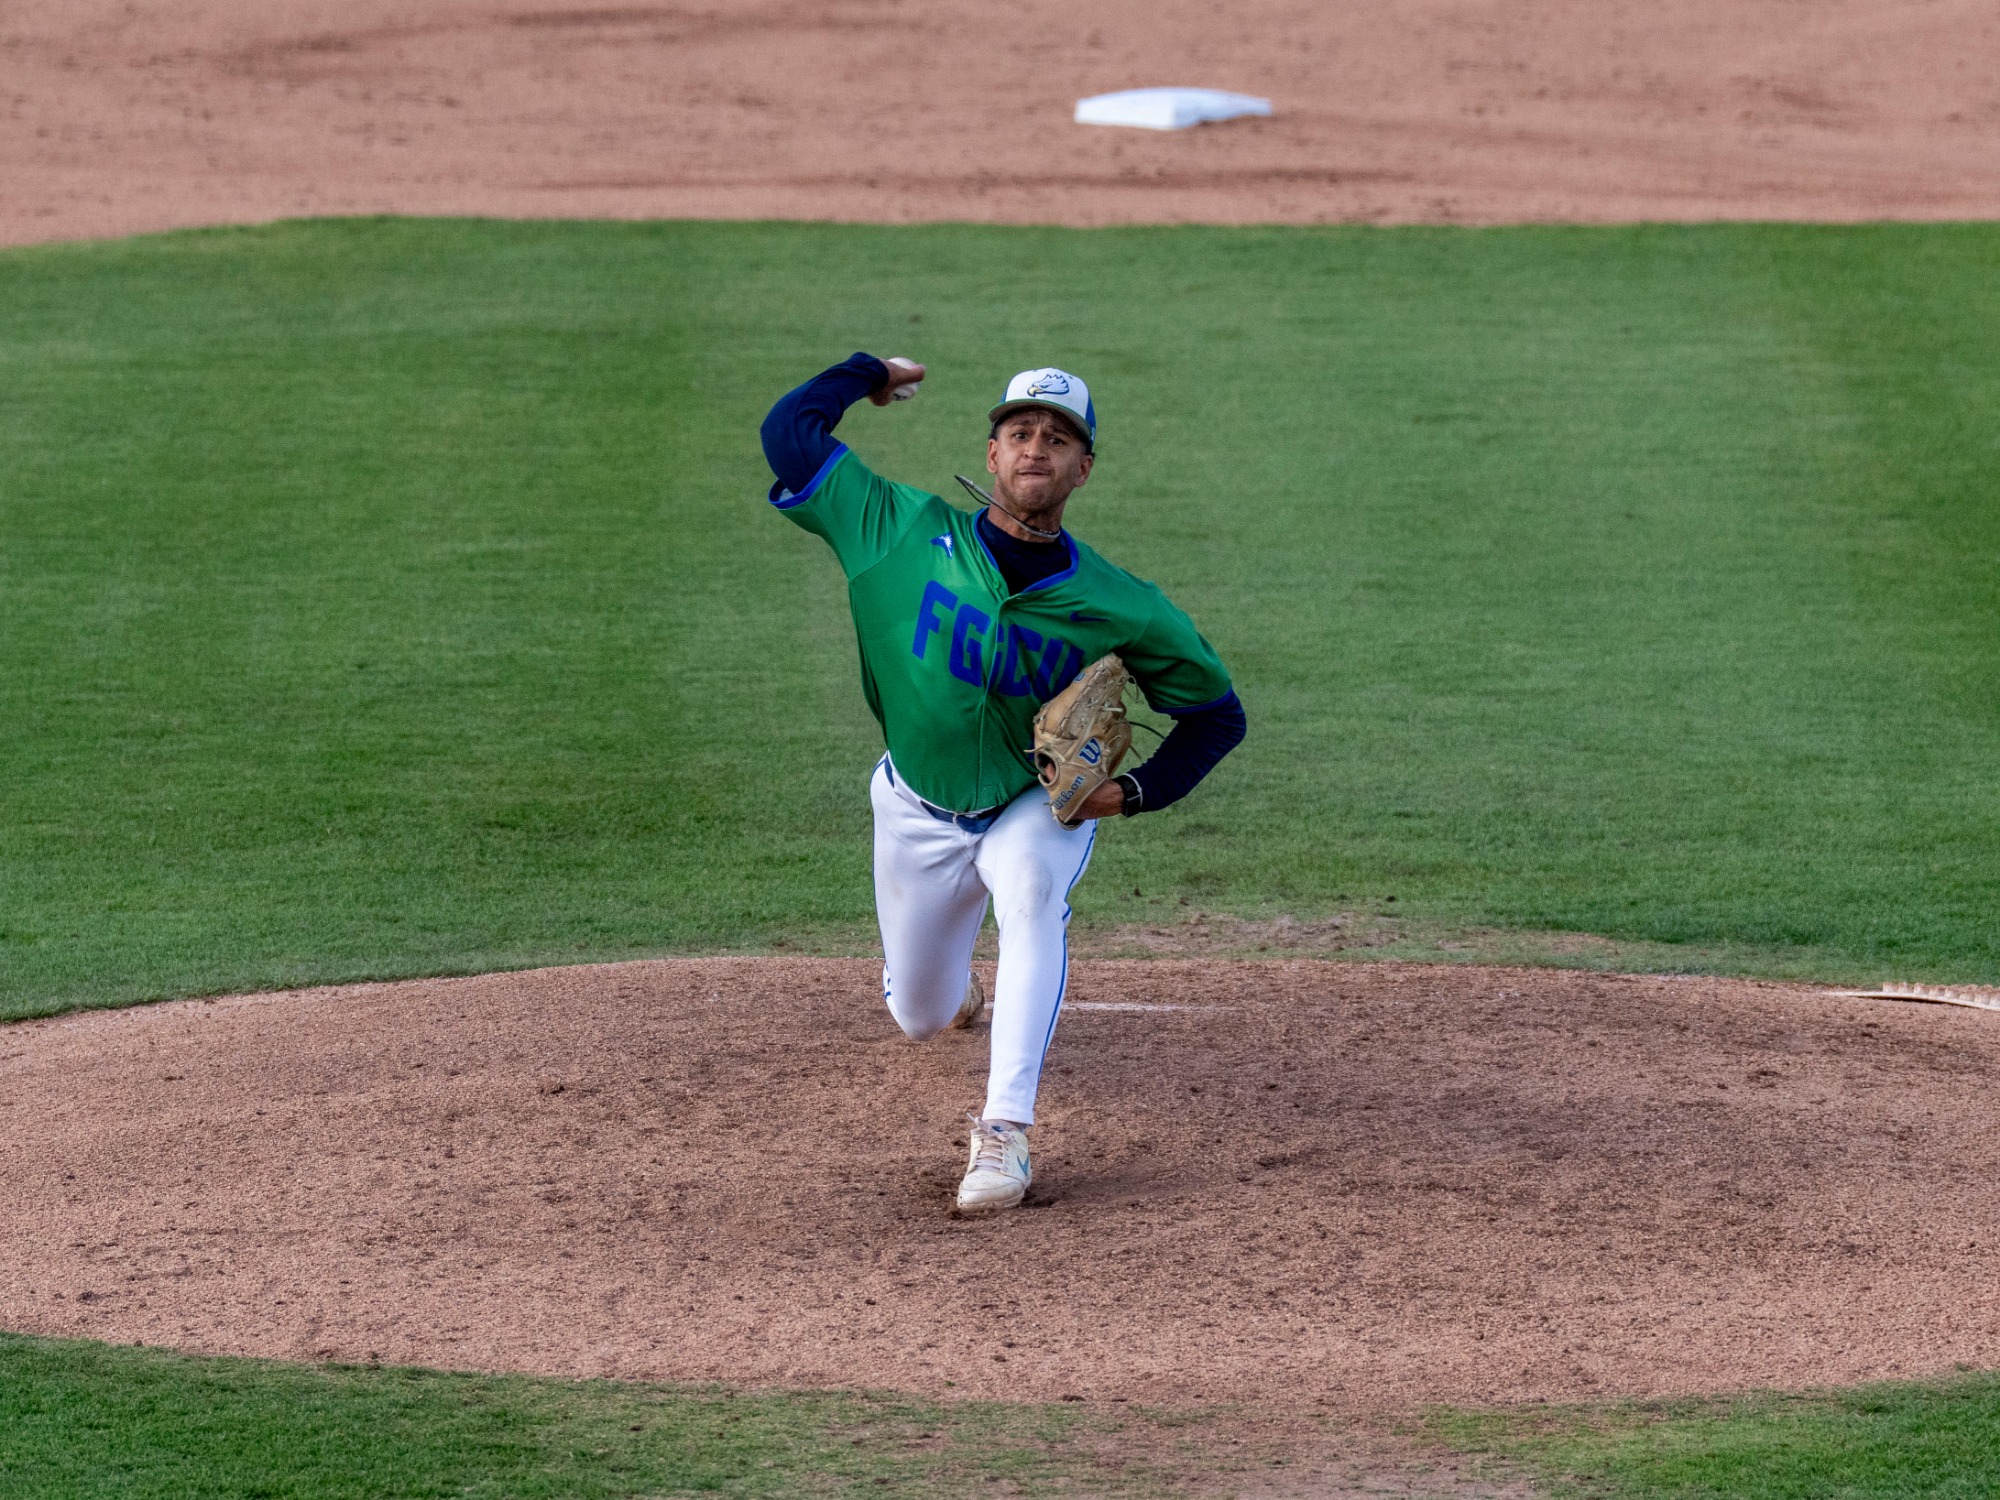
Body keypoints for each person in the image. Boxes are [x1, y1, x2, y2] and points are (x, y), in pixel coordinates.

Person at [760, 353, 1246, 1212]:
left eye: (1058, 439)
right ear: (991, 454)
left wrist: (1128, 794)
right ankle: (960, 995)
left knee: (1029, 891)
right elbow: (788, 437)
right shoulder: (896, 531)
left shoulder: (1121, 604)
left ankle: (1004, 1135)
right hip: (915, 806)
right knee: (918, 1014)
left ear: (1082, 468)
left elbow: (1217, 715)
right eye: (1019, 433)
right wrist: (867, 371)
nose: (1036, 449)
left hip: (1030, 803)